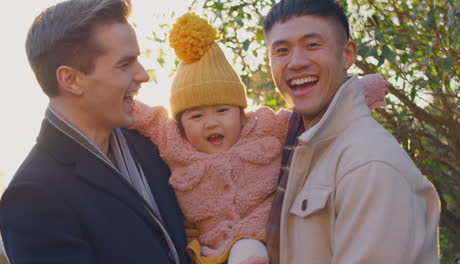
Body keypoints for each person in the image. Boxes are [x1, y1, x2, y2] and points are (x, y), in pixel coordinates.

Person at [132, 13, 389, 264]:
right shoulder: (174, 141)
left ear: (242, 114)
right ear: (180, 124)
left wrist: (366, 89)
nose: (211, 122)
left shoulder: (264, 126)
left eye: (223, 111)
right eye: (196, 116)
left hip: (268, 236)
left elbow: (318, 115)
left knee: (249, 251)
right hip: (212, 249)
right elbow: (142, 115)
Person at [0, 0, 190, 263]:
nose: (143, 75)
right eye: (125, 64)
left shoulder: (150, 147)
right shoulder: (33, 197)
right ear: (71, 80)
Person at [262, 0, 441, 263]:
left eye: (312, 45)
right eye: (282, 50)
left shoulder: (369, 162)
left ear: (347, 54)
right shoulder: (299, 151)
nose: (296, 62)